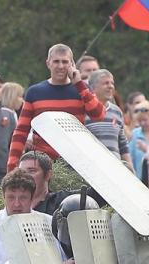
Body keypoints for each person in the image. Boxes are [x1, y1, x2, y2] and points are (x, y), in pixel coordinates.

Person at [6, 44, 105, 172]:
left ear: (72, 64)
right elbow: (21, 131)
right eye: (56, 61)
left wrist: (79, 84)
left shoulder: (81, 90)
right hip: (42, 164)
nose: (60, 66)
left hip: (75, 163)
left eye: (65, 62)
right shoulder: (34, 92)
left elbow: (99, 115)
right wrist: (12, 167)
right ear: (48, 63)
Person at [84, 69, 132, 169]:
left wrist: (131, 169)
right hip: (92, 169)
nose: (111, 86)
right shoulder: (84, 110)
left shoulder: (117, 111)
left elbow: (122, 144)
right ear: (93, 87)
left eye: (112, 83)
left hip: (115, 169)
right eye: (106, 83)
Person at [18, 151, 68, 215]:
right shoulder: (13, 207)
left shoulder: (61, 200)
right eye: (21, 172)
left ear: (48, 175)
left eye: (31, 171)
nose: (24, 176)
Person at [129, 101, 149, 183]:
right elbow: (130, 157)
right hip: (139, 180)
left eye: (145, 120)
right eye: (139, 121)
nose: (142, 123)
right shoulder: (135, 134)